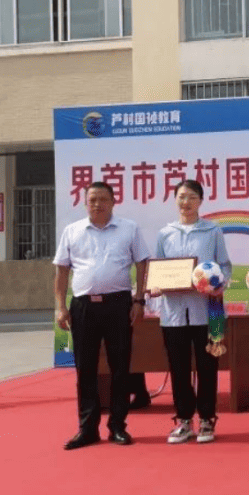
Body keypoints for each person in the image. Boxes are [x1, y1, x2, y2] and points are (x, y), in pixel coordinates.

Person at [53, 182, 149, 450]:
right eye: (92, 199)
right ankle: (87, 428)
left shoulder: (128, 228)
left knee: (120, 366)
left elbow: (142, 263)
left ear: (113, 201)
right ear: (85, 202)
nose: (98, 204)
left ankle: (117, 426)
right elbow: (61, 271)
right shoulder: (72, 231)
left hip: (118, 304)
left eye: (103, 199)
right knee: (85, 368)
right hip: (83, 307)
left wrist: (139, 299)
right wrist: (60, 306)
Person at [152, 180, 232, 443]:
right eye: (182, 197)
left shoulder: (212, 231)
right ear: (175, 200)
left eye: (192, 197)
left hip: (206, 311)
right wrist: (155, 286)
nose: (186, 202)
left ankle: (208, 419)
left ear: (201, 201)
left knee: (208, 365)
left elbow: (225, 266)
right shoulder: (165, 233)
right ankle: (184, 420)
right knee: (178, 367)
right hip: (173, 313)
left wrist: (218, 284)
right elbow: (159, 270)